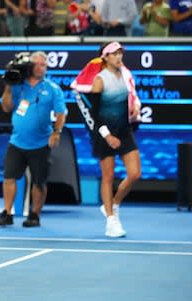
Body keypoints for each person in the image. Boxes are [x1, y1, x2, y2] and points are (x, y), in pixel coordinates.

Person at [71, 41, 141, 238]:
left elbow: (133, 96)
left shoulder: (125, 75)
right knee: (108, 177)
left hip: (124, 131)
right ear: (106, 57)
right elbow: (94, 113)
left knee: (135, 173)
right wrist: (107, 135)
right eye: (114, 54)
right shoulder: (100, 80)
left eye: (120, 53)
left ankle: (114, 204)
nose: (119, 57)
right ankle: (111, 220)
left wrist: (136, 106)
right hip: (104, 133)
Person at [0, 51, 68, 228]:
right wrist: (8, 85)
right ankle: (7, 213)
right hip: (17, 141)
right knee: (9, 178)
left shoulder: (52, 89)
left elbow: (61, 113)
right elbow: (6, 107)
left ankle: (35, 214)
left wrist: (56, 132)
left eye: (44, 65)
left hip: (41, 143)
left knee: (39, 182)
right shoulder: (18, 85)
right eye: (37, 64)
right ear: (29, 65)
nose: (41, 67)